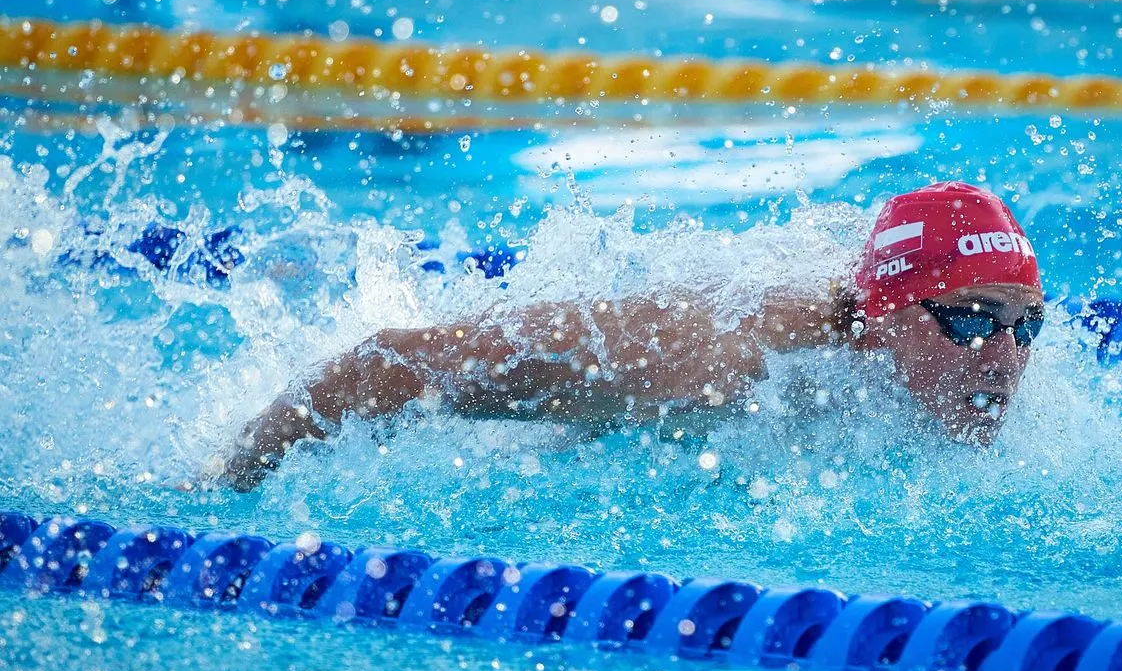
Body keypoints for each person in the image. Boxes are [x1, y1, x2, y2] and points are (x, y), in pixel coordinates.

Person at [214, 181, 1045, 492]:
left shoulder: (928, 365)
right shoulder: (710, 359)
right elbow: (386, 361)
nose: (1004, 360)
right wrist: (228, 478)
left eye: (1024, 326)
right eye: (971, 319)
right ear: (879, 322)